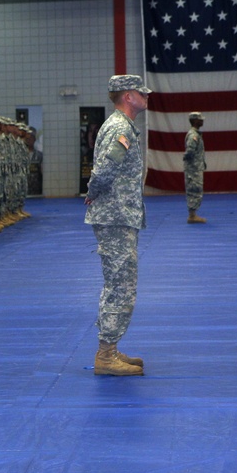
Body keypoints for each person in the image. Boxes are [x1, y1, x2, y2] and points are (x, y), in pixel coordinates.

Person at [84, 74, 150, 377]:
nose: (145, 96)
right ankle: (105, 355)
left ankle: (110, 348)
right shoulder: (120, 128)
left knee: (120, 282)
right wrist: (93, 192)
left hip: (119, 214)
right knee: (120, 284)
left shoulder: (122, 126)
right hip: (115, 215)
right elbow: (105, 168)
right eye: (140, 92)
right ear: (126, 95)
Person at [183, 112, 207, 224]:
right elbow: (190, 152)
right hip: (193, 169)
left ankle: (193, 214)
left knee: (196, 189)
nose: (202, 121)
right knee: (194, 190)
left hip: (195, 167)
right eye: (200, 119)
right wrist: (191, 164)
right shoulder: (194, 136)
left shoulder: (196, 134)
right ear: (194, 121)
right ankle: (192, 215)